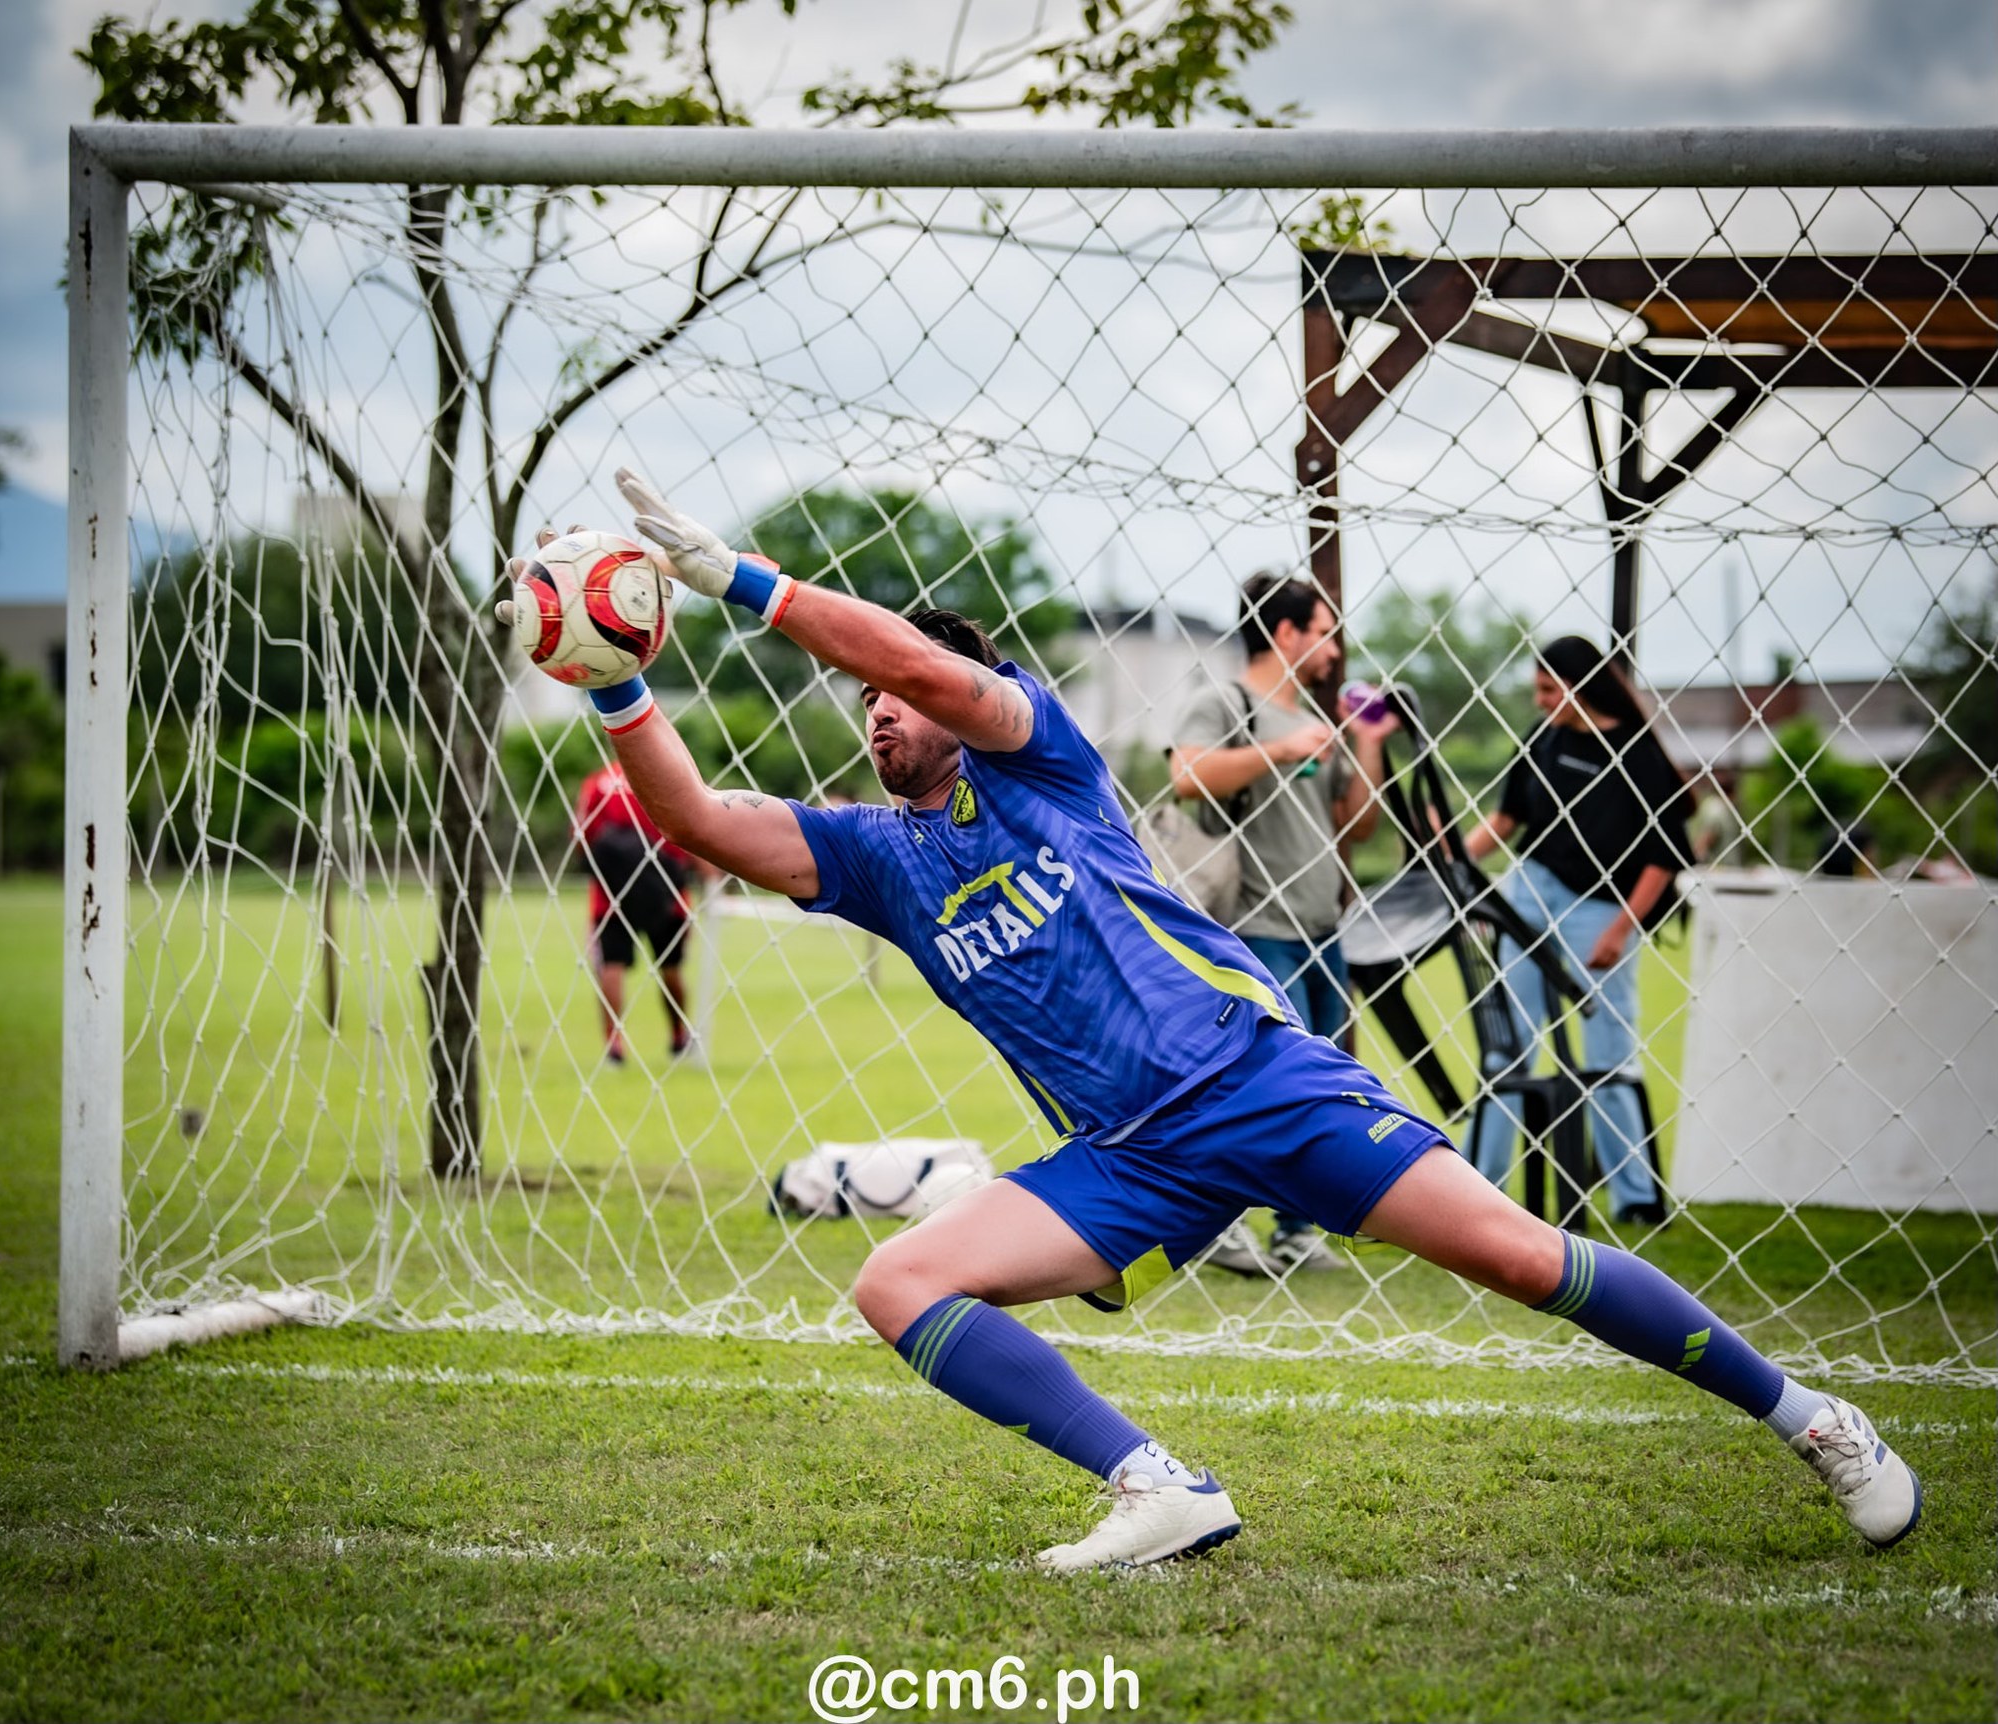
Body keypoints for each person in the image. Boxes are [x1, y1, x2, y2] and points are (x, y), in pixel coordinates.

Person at [499, 469, 1921, 1571]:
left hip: (1254, 1079)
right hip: (1126, 1156)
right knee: (895, 1284)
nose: (875, 713)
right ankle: (1158, 1489)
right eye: (857, 700)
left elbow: (931, 669)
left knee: (1519, 1255)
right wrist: (615, 674)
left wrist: (738, 578)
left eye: (889, 692)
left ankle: (1814, 1419)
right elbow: (687, 814)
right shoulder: (873, 853)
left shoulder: (1033, 753)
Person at [1169, 574, 1398, 1274]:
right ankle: (1219, 1226)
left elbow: (1357, 825)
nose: (1334, 648)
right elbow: (1188, 776)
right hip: (1255, 929)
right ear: (1287, 633)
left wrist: (1368, 742)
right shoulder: (1228, 703)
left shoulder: (1316, 720)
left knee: (1321, 1089)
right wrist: (1284, 749)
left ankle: (1297, 1231)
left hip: (1323, 932)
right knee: (1256, 1089)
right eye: (1324, 631)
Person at [1462, 636, 1696, 1228]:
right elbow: (1506, 820)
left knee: (1610, 1053)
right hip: (1531, 893)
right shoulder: (1544, 740)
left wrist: (1621, 929)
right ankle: (1475, 1185)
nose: (1540, 701)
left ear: (1581, 685)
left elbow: (1664, 856)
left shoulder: (1637, 754)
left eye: (1548, 689)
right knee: (1507, 1041)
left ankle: (1634, 1196)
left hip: (1602, 910)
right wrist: (1450, 860)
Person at [574, 759, 699, 1063]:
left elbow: (580, 837)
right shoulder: (666, 773)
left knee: (612, 966)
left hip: (611, 897)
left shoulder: (598, 783)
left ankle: (613, 1044)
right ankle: (678, 1036)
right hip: (666, 895)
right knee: (671, 968)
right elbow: (691, 833)